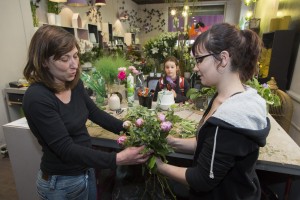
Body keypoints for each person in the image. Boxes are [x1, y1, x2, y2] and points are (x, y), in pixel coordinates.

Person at [22, 25, 150, 200]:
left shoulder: (74, 85)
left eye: (75, 56)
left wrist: (129, 127)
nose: (74, 64)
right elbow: (66, 149)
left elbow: (95, 113)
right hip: (60, 184)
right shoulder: (37, 98)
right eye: (64, 59)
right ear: (44, 61)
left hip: (85, 171)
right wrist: (117, 159)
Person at [155, 23, 270, 200]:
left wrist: (159, 166)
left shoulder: (232, 118)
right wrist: (172, 141)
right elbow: (204, 144)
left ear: (223, 59)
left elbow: (202, 179)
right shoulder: (221, 98)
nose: (195, 67)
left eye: (200, 60)